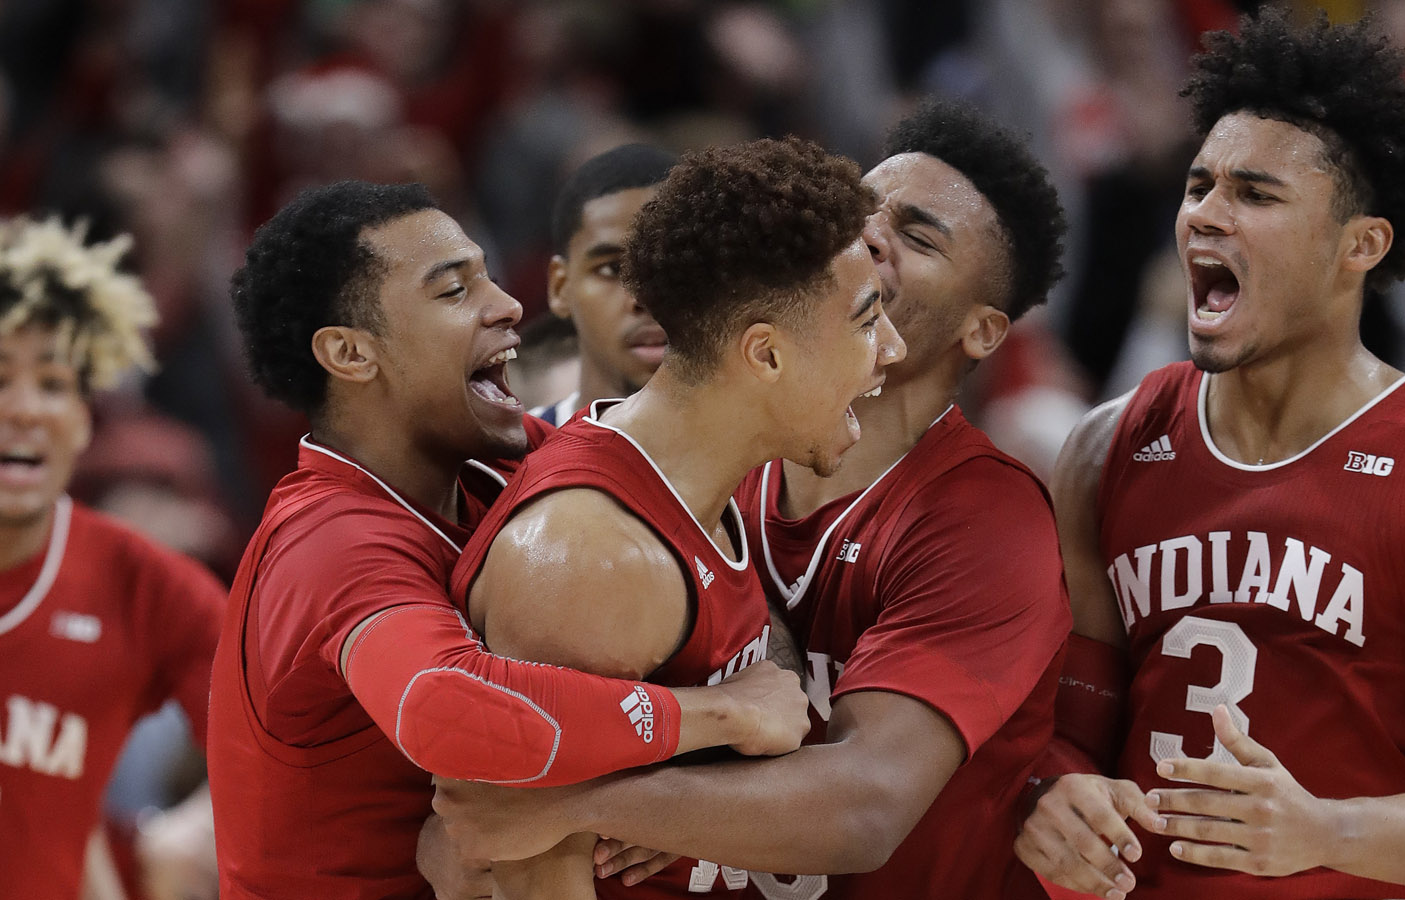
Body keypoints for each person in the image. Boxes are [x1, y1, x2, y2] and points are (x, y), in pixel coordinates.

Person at [433, 99, 1075, 900]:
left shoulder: (976, 518)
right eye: (865, 212)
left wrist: (608, 804)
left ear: (982, 331)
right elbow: (497, 835)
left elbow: (861, 801)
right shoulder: (632, 515)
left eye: (915, 237)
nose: (870, 238)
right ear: (765, 353)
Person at [1018, 10, 1405, 900]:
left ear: (1361, 246)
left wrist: (1325, 829)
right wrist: (1050, 787)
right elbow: (1076, 725)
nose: (1205, 215)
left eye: (1255, 194)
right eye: (1198, 186)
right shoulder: (1107, 446)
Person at [209, 180, 811, 900]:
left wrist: (667, 797)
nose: (507, 304)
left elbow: (710, 561)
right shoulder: (329, 543)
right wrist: (720, 715)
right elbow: (447, 709)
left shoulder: (504, 461)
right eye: (454, 291)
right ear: (349, 352)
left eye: (488, 275)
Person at [446, 135, 901, 899]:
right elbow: (522, 854)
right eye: (865, 320)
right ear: (766, 355)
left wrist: (689, 788)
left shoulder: (693, 483)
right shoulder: (592, 557)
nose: (889, 347)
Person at [0, 216, 225, 900]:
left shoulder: (140, 585)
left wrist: (193, 832)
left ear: (85, 421)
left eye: (54, 384)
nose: (26, 410)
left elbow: (289, 750)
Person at [533, 143, 677, 425]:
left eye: (672, 263)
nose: (644, 296)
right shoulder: (509, 463)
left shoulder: (778, 457)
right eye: (612, 268)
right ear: (560, 287)